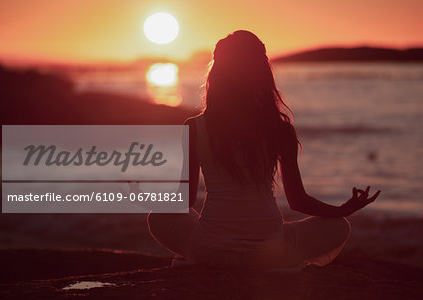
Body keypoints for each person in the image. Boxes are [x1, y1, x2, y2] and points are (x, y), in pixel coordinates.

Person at [147, 30, 380, 270]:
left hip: (212, 250)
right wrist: (342, 210)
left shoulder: (195, 127)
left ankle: (218, 256)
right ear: (261, 74)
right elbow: (298, 201)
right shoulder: (280, 129)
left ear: (217, 74)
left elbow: (184, 200)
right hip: (269, 254)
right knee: (339, 226)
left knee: (158, 216)